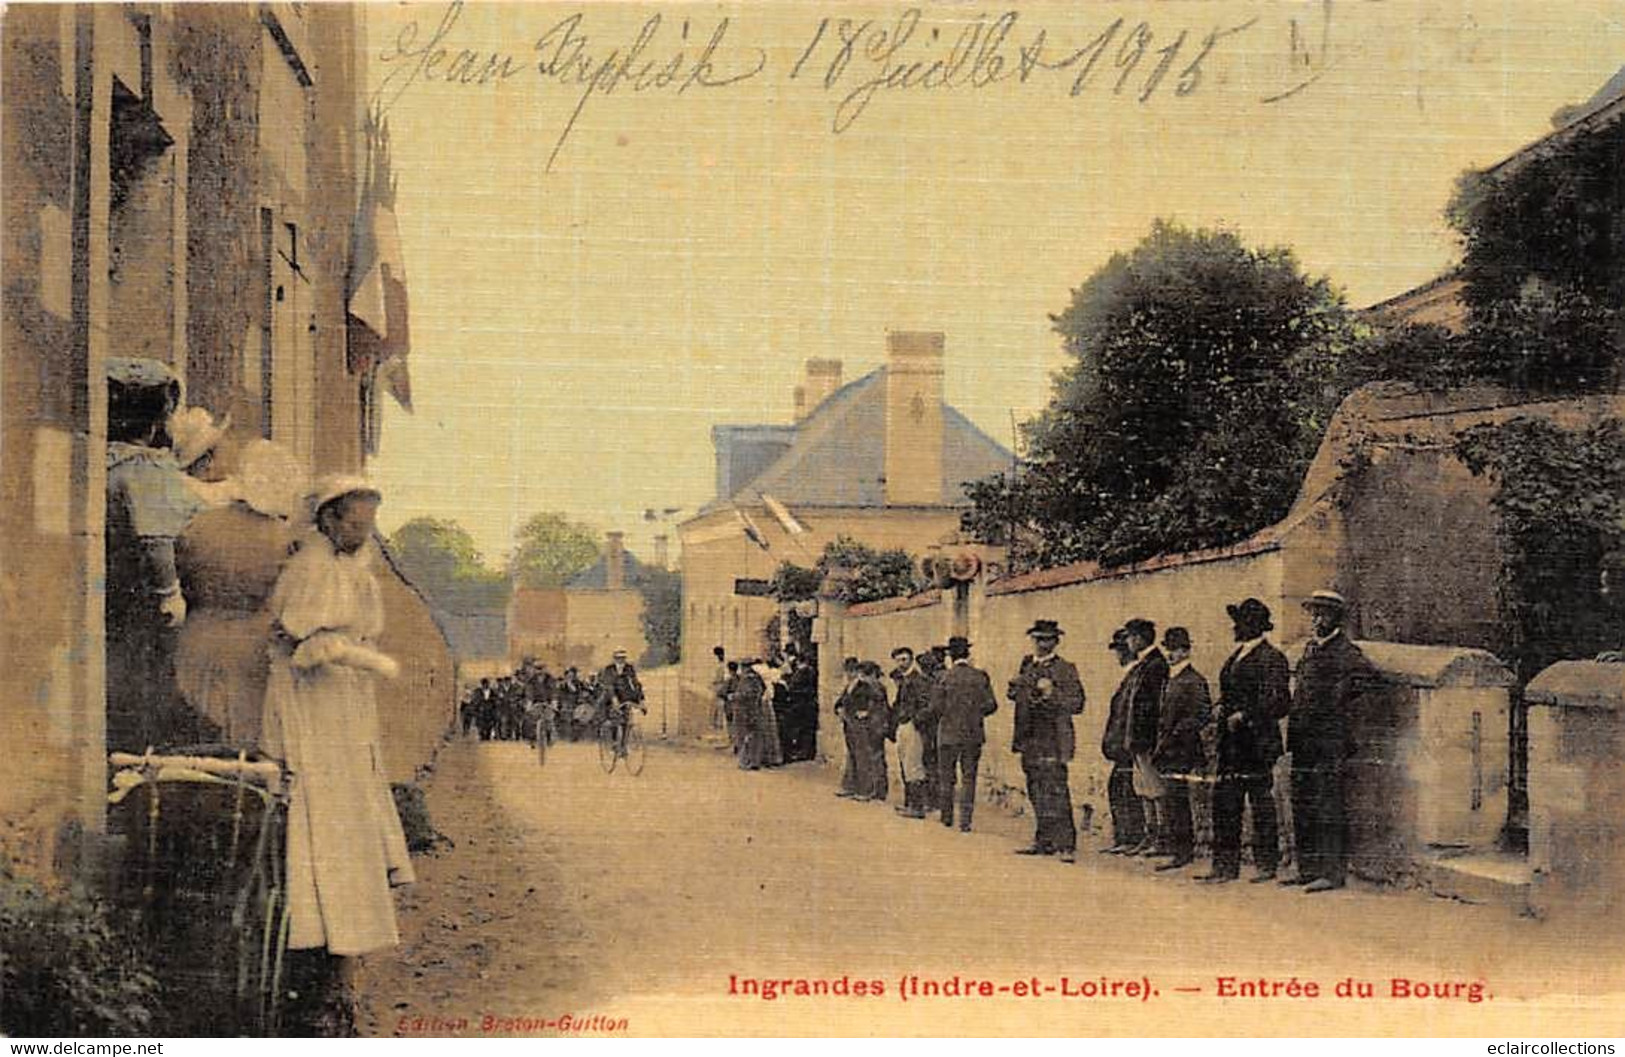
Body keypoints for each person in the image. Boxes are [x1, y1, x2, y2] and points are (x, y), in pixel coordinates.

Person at [262, 475, 413, 960]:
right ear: (328, 519)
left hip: (341, 699)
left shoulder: (346, 565)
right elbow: (312, 648)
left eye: (369, 525)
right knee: (329, 800)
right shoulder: (313, 568)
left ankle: (353, 917)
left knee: (350, 795)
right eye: (355, 523)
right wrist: (374, 662)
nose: (363, 533)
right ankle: (326, 920)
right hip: (315, 699)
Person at [173, 440, 305, 749]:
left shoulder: (198, 525)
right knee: (247, 739)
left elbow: (183, 578)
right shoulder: (286, 540)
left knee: (199, 735)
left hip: (198, 636)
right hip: (254, 644)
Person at [105, 357, 207, 753]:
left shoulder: (106, 461)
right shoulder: (145, 469)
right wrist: (171, 597)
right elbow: (155, 540)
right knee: (144, 694)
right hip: (141, 603)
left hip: (111, 593)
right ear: (155, 417)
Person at [1286, 590, 1381, 893]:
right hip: (1303, 741)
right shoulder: (1311, 650)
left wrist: (1336, 710)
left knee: (1329, 805)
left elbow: (1366, 683)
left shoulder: (1345, 652)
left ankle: (1331, 872)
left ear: (1334, 619)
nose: (1315, 620)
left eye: (1321, 615)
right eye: (1313, 614)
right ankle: (1307, 869)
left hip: (1328, 743)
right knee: (1303, 804)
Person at [1202, 597, 1291, 884]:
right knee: (1225, 803)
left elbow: (1279, 702)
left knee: (1260, 804)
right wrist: (1220, 707)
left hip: (1256, 744)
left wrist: (1245, 715)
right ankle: (1224, 866)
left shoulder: (1272, 658)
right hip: (1231, 744)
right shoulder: (1236, 655)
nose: (1234, 627)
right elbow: (1230, 693)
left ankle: (1267, 864)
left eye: (1239, 622)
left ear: (1253, 625)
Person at [1009, 619, 1086, 862]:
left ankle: (1066, 844)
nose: (1041, 644)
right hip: (1029, 736)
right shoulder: (1027, 665)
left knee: (1056, 788)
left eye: (1047, 639)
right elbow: (1015, 693)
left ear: (1056, 641)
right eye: (1037, 639)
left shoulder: (1065, 669)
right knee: (1035, 788)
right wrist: (1017, 688)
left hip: (1052, 736)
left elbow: (1077, 703)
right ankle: (1044, 839)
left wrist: (1051, 693)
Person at [1149, 627, 1209, 872]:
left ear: (1186, 651)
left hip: (1183, 748)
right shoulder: (1171, 680)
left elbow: (1201, 714)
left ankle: (1183, 851)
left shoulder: (1193, 680)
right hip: (1168, 748)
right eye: (1170, 649)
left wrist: (1177, 734)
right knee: (1172, 800)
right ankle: (1178, 848)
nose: (1172, 654)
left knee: (1178, 799)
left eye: (1177, 649)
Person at [930, 636, 997, 832]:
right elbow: (991, 705)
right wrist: (974, 713)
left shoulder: (943, 677)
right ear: (968, 654)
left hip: (948, 734)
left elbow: (935, 707)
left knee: (947, 776)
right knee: (969, 776)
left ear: (951, 656)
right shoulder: (980, 676)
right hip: (973, 734)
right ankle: (965, 821)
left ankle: (947, 817)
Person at [1098, 628, 1144, 854]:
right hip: (1119, 744)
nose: (1116, 655)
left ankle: (1130, 837)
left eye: (1118, 651)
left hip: (1127, 745)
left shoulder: (1135, 674)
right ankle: (1123, 837)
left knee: (1126, 789)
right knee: (1119, 787)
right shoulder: (1127, 674)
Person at [889, 647, 935, 818]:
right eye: (898, 660)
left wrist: (915, 721)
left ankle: (917, 806)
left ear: (911, 660)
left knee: (913, 765)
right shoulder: (905, 680)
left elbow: (926, 704)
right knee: (905, 764)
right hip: (903, 725)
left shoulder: (918, 680)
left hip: (912, 726)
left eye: (904, 659)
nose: (901, 663)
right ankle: (910, 803)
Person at [599, 649, 646, 750]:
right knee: (614, 718)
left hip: (624, 696)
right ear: (614, 659)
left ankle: (624, 744)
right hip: (610, 696)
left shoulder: (629, 668)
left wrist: (641, 700)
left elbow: (635, 684)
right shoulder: (609, 669)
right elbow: (609, 685)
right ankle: (614, 740)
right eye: (618, 658)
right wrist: (614, 699)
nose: (621, 661)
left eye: (623, 658)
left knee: (626, 720)